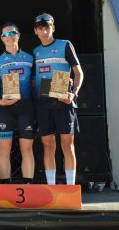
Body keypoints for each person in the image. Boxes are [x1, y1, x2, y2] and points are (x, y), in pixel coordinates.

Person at [33, 13, 84, 185]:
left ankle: (70, 186)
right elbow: (35, 78)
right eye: (40, 28)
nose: (44, 31)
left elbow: (78, 73)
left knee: (67, 146)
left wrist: (74, 93)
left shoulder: (65, 45)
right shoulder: (35, 51)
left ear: (53, 28)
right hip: (44, 102)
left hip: (64, 101)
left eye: (47, 27)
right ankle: (52, 187)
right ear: (36, 32)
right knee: (48, 145)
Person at [0, 22, 35, 184]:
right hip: (5, 109)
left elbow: (37, 83)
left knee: (26, 149)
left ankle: (28, 186)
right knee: (4, 149)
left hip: (26, 109)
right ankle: (6, 186)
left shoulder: (29, 58)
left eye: (12, 33)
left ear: (18, 35)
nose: (9, 37)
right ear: (1, 39)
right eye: (5, 35)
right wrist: (0, 101)